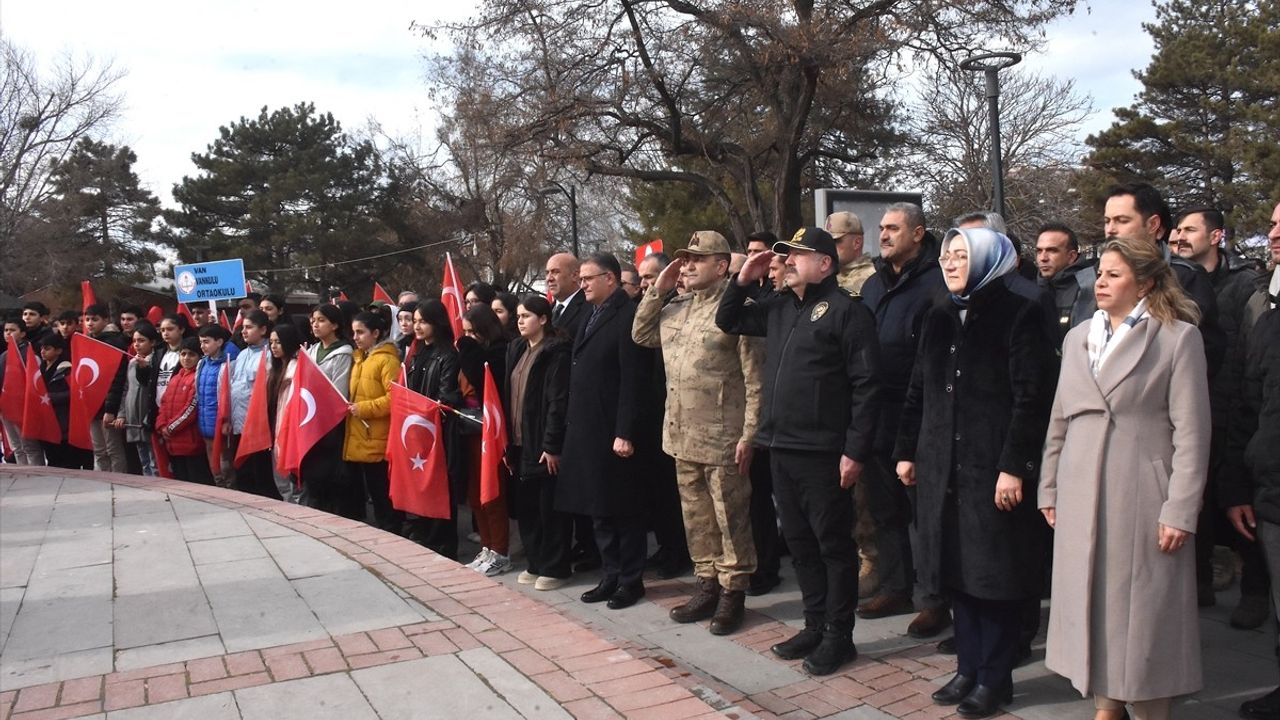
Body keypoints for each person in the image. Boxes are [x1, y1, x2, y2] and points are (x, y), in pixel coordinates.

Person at [1040, 236, 1210, 720]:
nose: (1101, 282)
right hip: (1079, 488)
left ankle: (1151, 707)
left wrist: (1180, 508)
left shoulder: (1176, 338)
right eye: (1101, 274)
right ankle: (1106, 703)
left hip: (1143, 493)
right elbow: (1059, 418)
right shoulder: (1078, 337)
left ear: (1146, 283)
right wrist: (1049, 486)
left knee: (1144, 610)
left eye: (1114, 275)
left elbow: (1193, 432)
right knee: (1093, 602)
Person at [895, 227, 1056, 718]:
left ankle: (995, 677)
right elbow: (918, 387)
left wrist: (1014, 467)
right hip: (941, 466)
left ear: (989, 260)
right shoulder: (940, 313)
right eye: (946, 255)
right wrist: (907, 450)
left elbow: (1032, 399)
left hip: (991, 469)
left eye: (961, 256)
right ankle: (967, 667)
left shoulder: (1021, 312)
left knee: (994, 578)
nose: (949, 263)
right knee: (956, 574)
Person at [717, 227, 880, 676]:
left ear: (825, 263)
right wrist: (742, 280)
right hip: (782, 446)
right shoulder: (780, 307)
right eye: (785, 255)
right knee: (801, 544)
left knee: (833, 547)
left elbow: (867, 386)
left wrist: (855, 450)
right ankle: (814, 625)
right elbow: (728, 320)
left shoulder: (848, 312)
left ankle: (839, 636)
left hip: (824, 451)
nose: (787, 261)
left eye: (798, 255)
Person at [633, 230, 764, 635]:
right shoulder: (676, 307)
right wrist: (658, 289)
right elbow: (641, 334)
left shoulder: (739, 310)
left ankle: (733, 592)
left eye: (696, 259)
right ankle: (706, 584)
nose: (687, 266)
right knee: (696, 517)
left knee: (730, 518)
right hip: (681, 433)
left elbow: (755, 378)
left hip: (723, 435)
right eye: (684, 259)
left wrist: (750, 434)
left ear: (721, 266)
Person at [858, 202, 946, 637]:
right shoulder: (873, 284)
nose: (884, 235)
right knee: (884, 508)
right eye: (882, 228)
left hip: (920, 413)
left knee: (923, 513)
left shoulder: (937, 282)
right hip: (876, 413)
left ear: (918, 233)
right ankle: (896, 586)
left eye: (893, 228)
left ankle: (934, 599)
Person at [557, 252, 653, 610]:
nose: (581, 284)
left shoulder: (627, 316)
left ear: (609, 278)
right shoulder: (590, 312)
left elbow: (633, 380)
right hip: (588, 429)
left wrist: (625, 431)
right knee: (599, 509)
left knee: (623, 510)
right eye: (580, 279)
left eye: (587, 278)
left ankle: (631, 580)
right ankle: (610, 574)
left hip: (614, 431)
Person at [1228, 201, 1280, 720]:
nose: (1274, 234)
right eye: (1272, 224)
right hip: (1271, 491)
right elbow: (1245, 404)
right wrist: (1237, 486)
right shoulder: (1264, 316)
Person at [506, 296, 574, 590]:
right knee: (528, 508)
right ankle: (535, 562)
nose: (520, 321)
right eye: (518, 316)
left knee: (550, 509)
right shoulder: (517, 349)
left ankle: (556, 567)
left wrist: (552, 444)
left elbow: (558, 402)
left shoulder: (555, 353)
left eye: (526, 316)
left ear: (543, 319)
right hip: (519, 442)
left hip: (543, 444)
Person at [404, 299, 465, 557]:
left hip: (439, 430)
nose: (417, 326)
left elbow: (447, 394)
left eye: (423, 321)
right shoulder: (418, 353)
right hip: (418, 428)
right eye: (415, 321)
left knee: (441, 485)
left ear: (436, 323)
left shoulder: (448, 355)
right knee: (422, 484)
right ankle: (425, 533)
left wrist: (433, 407)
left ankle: (444, 543)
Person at [345, 308, 400, 529]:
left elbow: (394, 398)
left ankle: (392, 531)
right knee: (372, 493)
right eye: (354, 333)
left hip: (379, 437)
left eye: (360, 332)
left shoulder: (387, 361)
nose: (355, 337)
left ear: (375, 333)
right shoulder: (360, 359)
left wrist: (364, 408)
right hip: (362, 435)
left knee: (382, 494)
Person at [304, 305, 357, 517]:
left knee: (333, 472)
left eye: (321, 320)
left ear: (334, 325)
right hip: (312, 419)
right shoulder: (311, 351)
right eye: (313, 321)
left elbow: (339, 391)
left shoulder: (344, 353)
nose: (315, 325)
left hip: (332, 422)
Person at [228, 310, 277, 498]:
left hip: (258, 425)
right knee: (244, 474)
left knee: (261, 475)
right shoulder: (241, 355)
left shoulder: (270, 355)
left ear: (263, 330)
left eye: (249, 327)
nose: (244, 331)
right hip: (239, 423)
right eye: (243, 327)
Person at [157, 338, 213, 484]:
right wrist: (161, 425)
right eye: (183, 354)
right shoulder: (175, 378)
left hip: (191, 442)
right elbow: (164, 403)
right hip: (173, 442)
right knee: (180, 481)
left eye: (191, 354)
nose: (186, 358)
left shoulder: (198, 377)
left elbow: (191, 408)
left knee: (196, 483)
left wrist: (170, 427)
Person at [1035, 222, 1097, 346]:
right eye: (1039, 251)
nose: (1043, 258)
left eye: (1052, 251)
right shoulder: (1031, 287)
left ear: (1071, 256)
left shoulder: (1090, 287)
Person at [195, 325, 238, 486]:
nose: (202, 346)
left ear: (219, 342)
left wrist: (227, 419)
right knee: (212, 459)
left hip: (221, 421)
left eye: (206, 342)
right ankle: (218, 486)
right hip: (205, 420)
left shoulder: (229, 363)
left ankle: (230, 488)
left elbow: (231, 395)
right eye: (201, 342)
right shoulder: (202, 364)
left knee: (225, 461)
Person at [267, 323, 304, 503]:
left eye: (278, 342)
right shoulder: (274, 369)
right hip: (276, 425)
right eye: (271, 342)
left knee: (292, 478)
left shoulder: (297, 367)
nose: (273, 346)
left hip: (290, 426)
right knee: (280, 479)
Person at [1, 317, 44, 466]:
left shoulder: (29, 354)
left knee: (29, 446)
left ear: (23, 333)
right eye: (6, 330)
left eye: (12, 330)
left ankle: (36, 473)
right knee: (17, 447)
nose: (8, 333)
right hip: (6, 406)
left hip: (24, 406)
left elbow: (35, 382)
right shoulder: (4, 356)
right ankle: (22, 473)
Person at [120, 323, 159, 476]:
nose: (137, 344)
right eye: (134, 341)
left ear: (152, 342)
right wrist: (122, 414)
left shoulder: (156, 361)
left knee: (154, 461)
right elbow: (126, 390)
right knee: (144, 461)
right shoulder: (132, 363)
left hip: (147, 417)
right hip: (133, 418)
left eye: (141, 340)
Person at [825, 211, 874, 293]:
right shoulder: (828, 276)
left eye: (836, 241)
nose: (829, 246)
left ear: (857, 242)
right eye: (827, 241)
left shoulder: (871, 279)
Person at [547, 252, 587, 339]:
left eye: (555, 272)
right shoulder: (546, 311)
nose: (549, 278)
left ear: (575, 275)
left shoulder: (590, 308)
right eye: (547, 273)